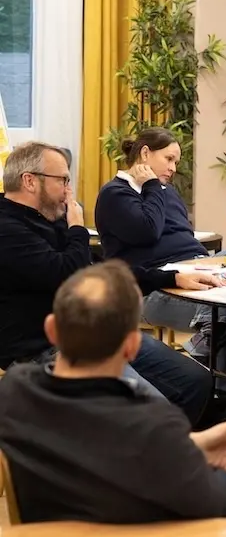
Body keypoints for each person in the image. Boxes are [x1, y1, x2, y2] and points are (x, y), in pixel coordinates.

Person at [0, 260, 226, 523]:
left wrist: (190, 446)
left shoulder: (14, 393)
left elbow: (95, 455)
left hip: (49, 527)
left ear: (52, 329)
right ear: (132, 346)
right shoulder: (149, 421)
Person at [0, 141, 214, 424]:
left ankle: (163, 447)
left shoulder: (50, 218)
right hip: (44, 350)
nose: (68, 191)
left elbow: (100, 271)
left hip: (97, 333)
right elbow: (69, 275)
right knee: (153, 415)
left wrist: (171, 277)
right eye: (63, 180)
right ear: (29, 181)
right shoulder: (7, 227)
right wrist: (77, 227)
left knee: (196, 381)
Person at [94, 127, 226, 381]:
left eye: (176, 162)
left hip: (197, 266)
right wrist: (152, 186)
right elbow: (148, 232)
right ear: (145, 153)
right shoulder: (115, 194)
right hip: (157, 285)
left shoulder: (166, 191)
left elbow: (184, 237)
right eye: (169, 159)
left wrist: (202, 265)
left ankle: (210, 341)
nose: (173, 168)